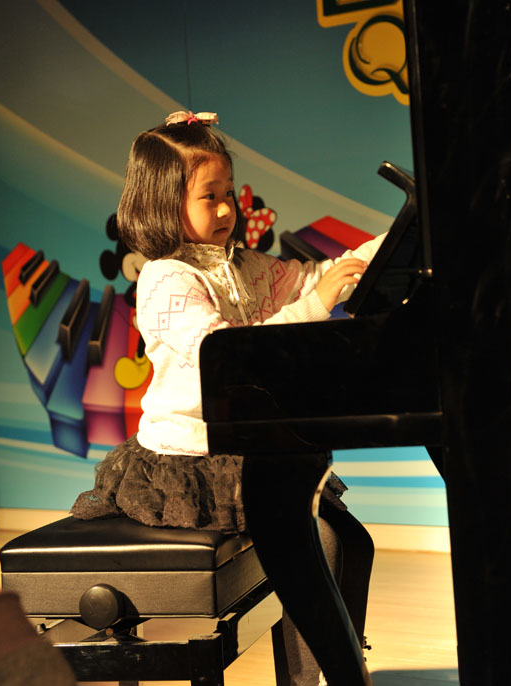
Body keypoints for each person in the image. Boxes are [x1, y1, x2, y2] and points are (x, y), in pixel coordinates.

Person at [72, 110, 384, 685]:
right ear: (165, 204)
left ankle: (334, 663)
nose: (225, 210)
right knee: (319, 545)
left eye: (228, 195)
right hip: (190, 462)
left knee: (351, 543)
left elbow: (315, 277)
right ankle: (321, 673)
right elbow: (227, 355)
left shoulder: (241, 265)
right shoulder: (166, 278)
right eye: (208, 197)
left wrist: (384, 249)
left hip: (244, 448)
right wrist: (316, 304)